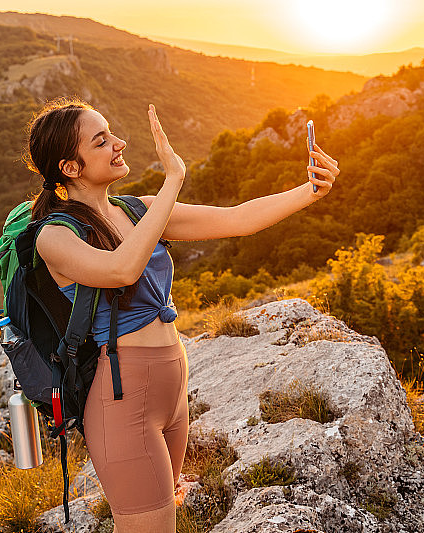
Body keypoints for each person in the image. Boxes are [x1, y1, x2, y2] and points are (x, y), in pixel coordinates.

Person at [25, 96, 340, 533]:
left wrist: (311, 191)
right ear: (71, 168)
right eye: (101, 142)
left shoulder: (137, 210)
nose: (118, 143)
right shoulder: (55, 236)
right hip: (121, 400)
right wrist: (174, 178)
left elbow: (238, 219)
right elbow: (121, 269)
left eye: (112, 133)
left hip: (173, 394)